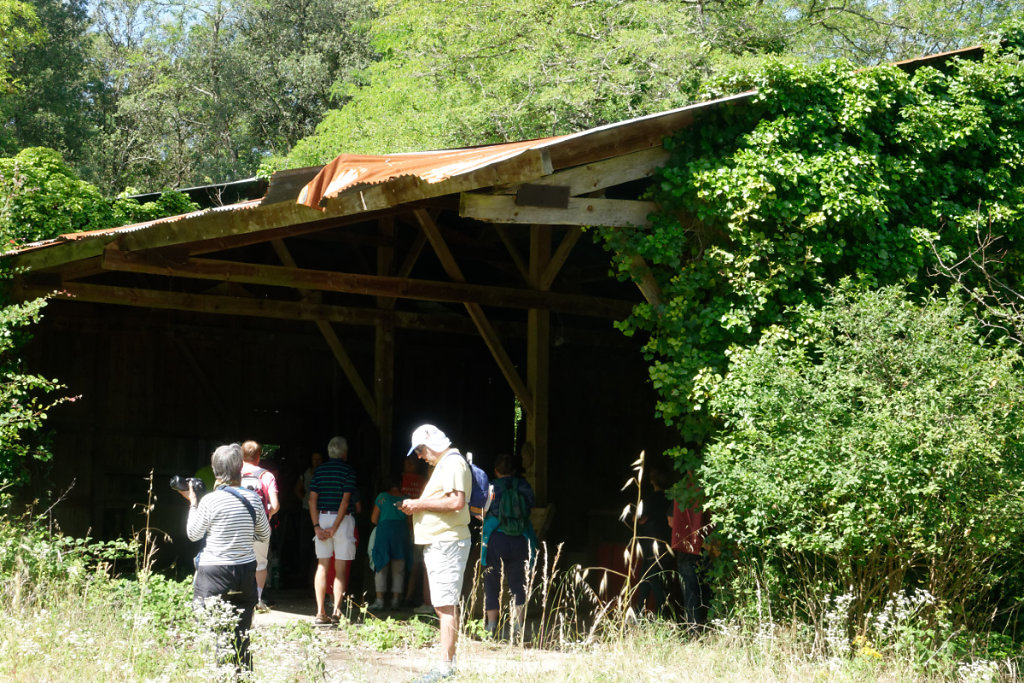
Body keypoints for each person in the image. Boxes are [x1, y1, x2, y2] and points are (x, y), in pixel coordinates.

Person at [180, 443, 271, 672]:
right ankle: (242, 675)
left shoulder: (210, 501)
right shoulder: (254, 499)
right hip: (244, 573)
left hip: (214, 574)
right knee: (242, 634)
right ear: (240, 468)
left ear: (214, 469)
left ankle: (221, 673)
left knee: (215, 632)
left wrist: (193, 503)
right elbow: (264, 534)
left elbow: (193, 535)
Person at [399, 424, 471, 683]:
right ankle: (447, 663)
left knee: (445, 606)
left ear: (431, 443)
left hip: (447, 542)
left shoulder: (451, 463)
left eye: (420, 449)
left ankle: (444, 669)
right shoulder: (445, 464)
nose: (418, 456)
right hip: (443, 542)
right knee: (444, 606)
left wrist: (418, 504)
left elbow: (456, 502)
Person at [481, 453, 536, 640]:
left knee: (491, 581)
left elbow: (483, 510)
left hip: (497, 538)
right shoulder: (524, 486)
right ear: (514, 470)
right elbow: (531, 506)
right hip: (520, 539)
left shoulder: (492, 487)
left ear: (496, 470)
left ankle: (491, 627)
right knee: (518, 583)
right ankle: (519, 627)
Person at [309, 435, 358, 624]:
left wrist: (317, 527)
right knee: (340, 569)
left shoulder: (319, 471)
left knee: (322, 566)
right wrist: (335, 528)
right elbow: (345, 502)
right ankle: (337, 611)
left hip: (322, 517)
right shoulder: (348, 471)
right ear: (344, 453)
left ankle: (320, 612)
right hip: (342, 521)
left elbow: (312, 499)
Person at [240, 440, 280, 611]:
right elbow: (275, 505)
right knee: (261, 564)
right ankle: (257, 599)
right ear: (259, 456)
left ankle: (238, 596)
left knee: (237, 560)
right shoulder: (267, 476)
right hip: (260, 528)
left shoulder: (233, 473)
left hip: (237, 526)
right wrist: (266, 514)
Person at [671, 478, 711, 628]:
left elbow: (670, 520)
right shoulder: (710, 487)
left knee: (690, 591)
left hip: (685, 546)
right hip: (708, 546)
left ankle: (693, 630)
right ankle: (710, 628)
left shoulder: (681, 489)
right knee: (709, 589)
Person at [634, 466, 673, 617]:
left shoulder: (649, 500)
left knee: (651, 577)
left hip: (651, 544)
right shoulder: (671, 499)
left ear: (652, 481)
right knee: (647, 577)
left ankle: (663, 612)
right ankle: (639, 612)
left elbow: (638, 519)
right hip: (667, 543)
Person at [368, 478, 411, 610]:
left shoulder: (382, 497)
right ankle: (395, 600)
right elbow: (410, 521)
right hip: (401, 533)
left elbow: (374, 519)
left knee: (381, 565)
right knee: (399, 568)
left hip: (384, 532)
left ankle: (380, 600)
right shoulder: (406, 499)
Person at [295, 450, 324, 585]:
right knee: (305, 544)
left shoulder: (325, 473)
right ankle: (304, 576)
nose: (317, 462)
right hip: (307, 511)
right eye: (314, 459)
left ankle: (315, 576)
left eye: (319, 459)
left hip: (321, 513)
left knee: (319, 546)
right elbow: (297, 489)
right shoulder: (306, 474)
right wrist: (305, 500)